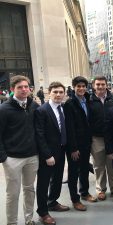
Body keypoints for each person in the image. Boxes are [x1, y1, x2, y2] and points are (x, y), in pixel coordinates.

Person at [0, 75, 39, 225]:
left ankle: (29, 219)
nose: (24, 89)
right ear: (12, 89)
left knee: (29, 190)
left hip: (32, 157)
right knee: (13, 194)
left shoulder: (33, 106)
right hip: (12, 159)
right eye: (20, 87)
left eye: (26, 86)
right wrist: (4, 157)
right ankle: (12, 222)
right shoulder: (4, 109)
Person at [35, 82, 70, 225]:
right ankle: (43, 212)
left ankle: (53, 202)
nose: (58, 94)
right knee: (43, 183)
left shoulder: (63, 108)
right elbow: (39, 134)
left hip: (61, 150)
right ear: (49, 92)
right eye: (55, 92)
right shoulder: (42, 110)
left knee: (57, 179)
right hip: (47, 154)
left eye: (61, 92)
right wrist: (47, 155)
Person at [64, 76, 97, 211]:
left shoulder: (87, 100)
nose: (81, 88)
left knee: (84, 169)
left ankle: (84, 193)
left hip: (86, 143)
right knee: (73, 173)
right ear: (74, 87)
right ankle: (75, 199)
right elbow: (69, 127)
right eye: (78, 86)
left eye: (83, 86)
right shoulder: (69, 104)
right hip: (74, 146)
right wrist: (73, 148)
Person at [89, 76, 113, 201]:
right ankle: (101, 190)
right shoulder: (89, 100)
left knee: (112, 165)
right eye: (98, 84)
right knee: (98, 165)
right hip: (97, 138)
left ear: (106, 85)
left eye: (102, 84)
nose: (100, 86)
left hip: (112, 137)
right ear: (94, 85)